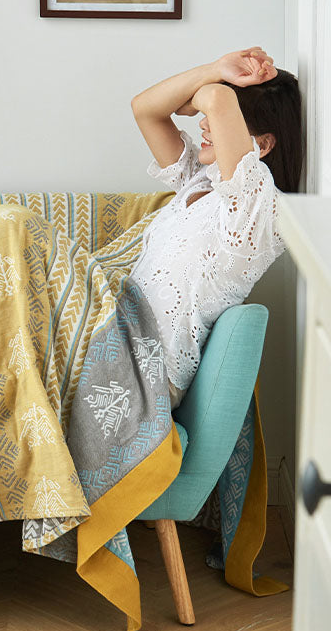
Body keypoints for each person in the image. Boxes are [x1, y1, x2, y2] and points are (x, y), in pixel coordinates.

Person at [129, 47, 303, 408]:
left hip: (147, 372)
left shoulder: (258, 212)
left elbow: (220, 98)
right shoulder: (200, 180)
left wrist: (207, 93)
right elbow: (145, 109)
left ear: (265, 144)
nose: (203, 122)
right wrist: (214, 68)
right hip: (119, 336)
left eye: (216, 117)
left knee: (10, 228)